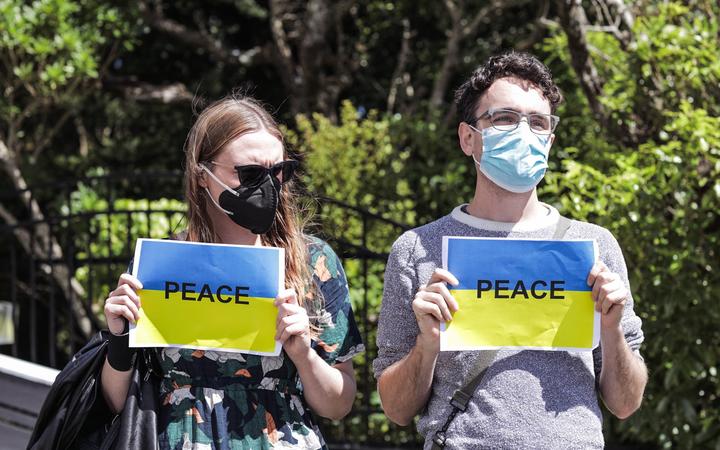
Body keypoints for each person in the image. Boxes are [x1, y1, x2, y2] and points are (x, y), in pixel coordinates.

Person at [373, 51, 647, 449]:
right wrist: (427, 344)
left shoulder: (594, 245)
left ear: (550, 142)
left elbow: (626, 403)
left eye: (538, 122)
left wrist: (611, 331)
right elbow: (396, 409)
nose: (524, 132)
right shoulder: (417, 249)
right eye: (504, 118)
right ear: (468, 138)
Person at [101, 95, 364, 449]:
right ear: (202, 177)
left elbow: (339, 404)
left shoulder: (312, 260)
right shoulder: (162, 264)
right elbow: (118, 404)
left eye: (278, 171)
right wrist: (119, 338)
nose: (268, 186)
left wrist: (303, 354)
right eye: (250, 174)